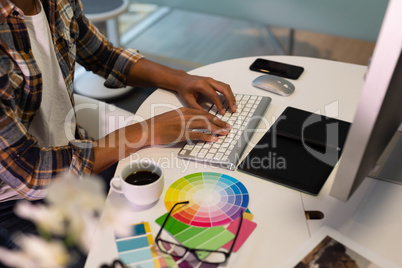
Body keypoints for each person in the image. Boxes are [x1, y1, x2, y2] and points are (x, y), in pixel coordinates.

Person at [0, 0, 236, 252]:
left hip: (79, 162)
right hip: (17, 203)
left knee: (176, 224)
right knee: (129, 253)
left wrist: (182, 79)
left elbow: (102, 55)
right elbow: (32, 171)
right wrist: (147, 130)